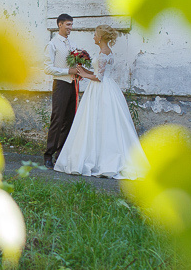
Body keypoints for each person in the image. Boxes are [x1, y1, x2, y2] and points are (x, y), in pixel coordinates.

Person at [54, 24, 148, 179]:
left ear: (101, 37)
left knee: (99, 121)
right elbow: (98, 73)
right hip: (105, 88)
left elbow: (99, 78)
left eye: (95, 34)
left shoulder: (104, 53)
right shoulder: (105, 52)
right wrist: (83, 71)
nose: (94, 37)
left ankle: (101, 159)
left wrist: (83, 74)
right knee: (100, 122)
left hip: (101, 89)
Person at [43, 14, 78, 169]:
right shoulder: (52, 44)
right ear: (60, 25)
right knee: (57, 120)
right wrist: (67, 71)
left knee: (69, 120)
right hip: (61, 85)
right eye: (68, 25)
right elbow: (47, 68)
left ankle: (61, 154)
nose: (70, 28)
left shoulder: (70, 43)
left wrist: (77, 72)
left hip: (72, 85)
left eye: (71, 25)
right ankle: (48, 155)